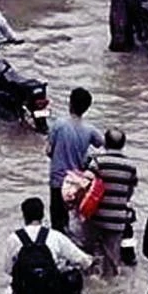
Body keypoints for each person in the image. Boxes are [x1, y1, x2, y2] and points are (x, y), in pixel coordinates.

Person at [46, 87, 103, 233]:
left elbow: (49, 151)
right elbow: (102, 143)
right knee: (78, 220)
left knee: (58, 223)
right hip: (77, 184)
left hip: (58, 181)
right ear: (87, 108)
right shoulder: (90, 129)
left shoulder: (59, 124)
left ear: (69, 103)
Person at [85, 129, 138, 277]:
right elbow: (130, 192)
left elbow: (86, 184)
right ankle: (109, 285)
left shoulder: (97, 162)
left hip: (95, 215)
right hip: (117, 218)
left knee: (90, 253)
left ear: (106, 142)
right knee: (112, 258)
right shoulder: (130, 166)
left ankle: (91, 283)